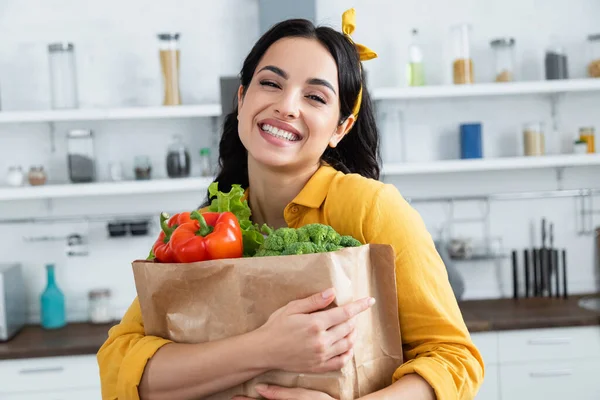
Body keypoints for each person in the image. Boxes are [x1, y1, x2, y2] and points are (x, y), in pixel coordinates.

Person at [97, 8, 484, 400]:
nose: (287, 106)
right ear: (243, 97)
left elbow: (454, 359)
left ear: (340, 128)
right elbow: (119, 366)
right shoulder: (200, 230)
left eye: (315, 96)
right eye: (270, 84)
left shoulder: (371, 208)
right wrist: (266, 348)